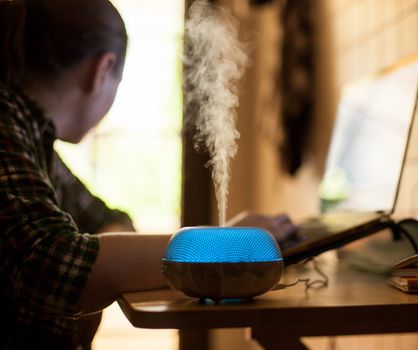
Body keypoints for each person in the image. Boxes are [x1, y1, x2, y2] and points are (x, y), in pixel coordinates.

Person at [0, 0, 295, 348]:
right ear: (102, 69)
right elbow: (52, 264)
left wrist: (103, 268)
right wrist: (218, 245)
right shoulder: (5, 128)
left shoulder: (32, 138)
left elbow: (106, 218)